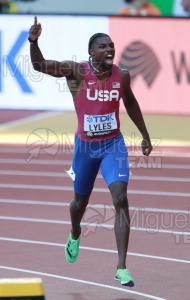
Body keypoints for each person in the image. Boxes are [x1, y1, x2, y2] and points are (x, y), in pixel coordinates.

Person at [28, 16, 153, 287]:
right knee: (79, 204)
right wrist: (34, 40)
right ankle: (75, 232)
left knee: (120, 198)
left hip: (113, 145)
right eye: (103, 46)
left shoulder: (123, 75)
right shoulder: (77, 71)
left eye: (112, 46)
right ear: (91, 52)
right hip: (86, 148)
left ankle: (121, 267)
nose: (110, 49)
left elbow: (130, 103)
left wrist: (144, 135)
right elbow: (40, 65)